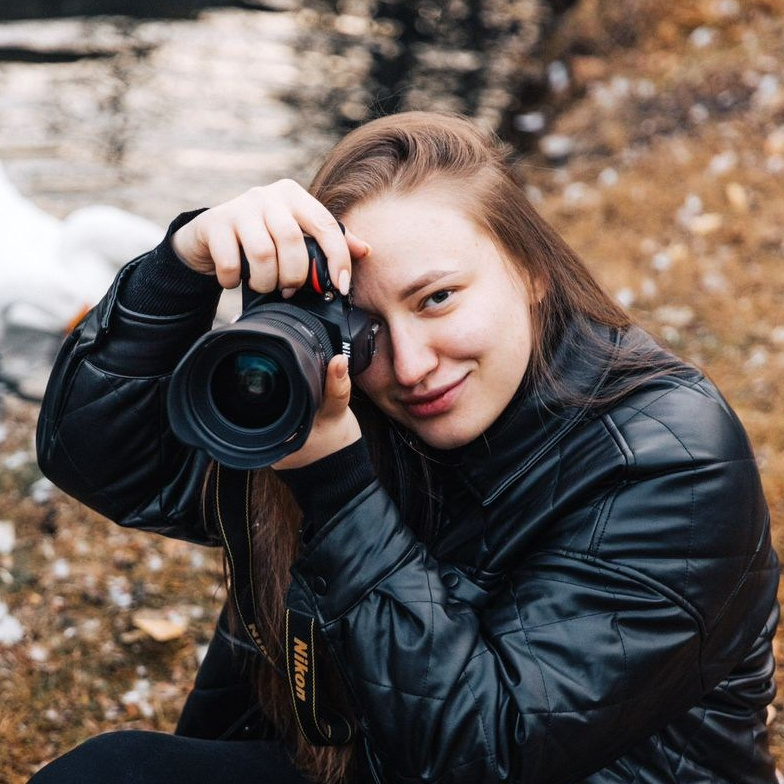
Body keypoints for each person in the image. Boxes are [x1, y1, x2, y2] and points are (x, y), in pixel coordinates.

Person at [33, 111, 779, 784]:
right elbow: (101, 457)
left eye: (437, 299)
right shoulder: (345, 398)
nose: (412, 365)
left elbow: (486, 754)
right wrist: (180, 267)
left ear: (531, 270)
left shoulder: (671, 460)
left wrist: (339, 485)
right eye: (365, 328)